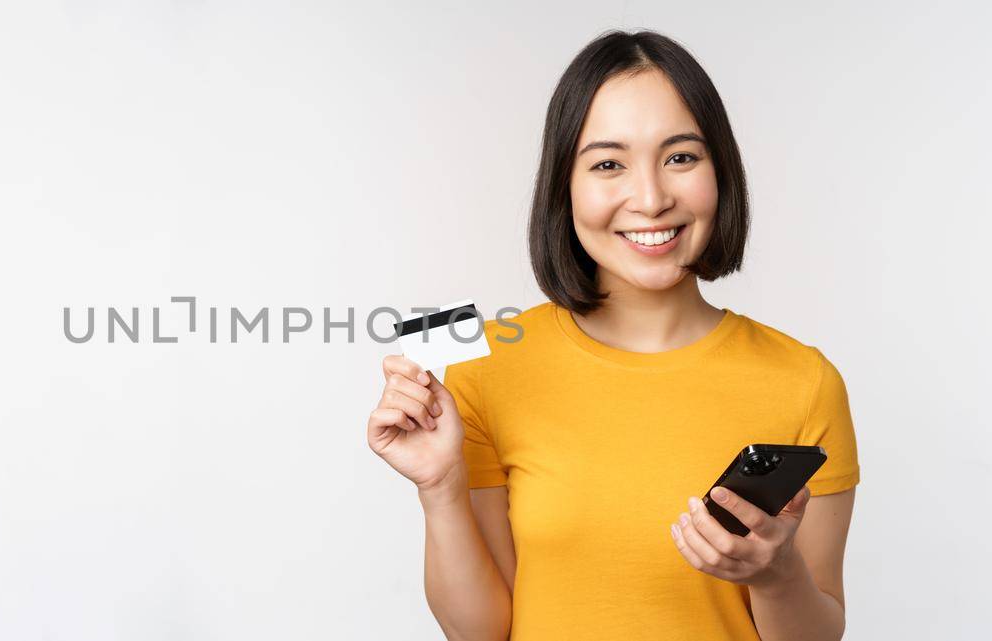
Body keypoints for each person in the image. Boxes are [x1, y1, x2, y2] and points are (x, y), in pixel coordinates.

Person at [366, 30, 859, 641]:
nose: (650, 199)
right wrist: (441, 488)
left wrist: (777, 575)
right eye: (607, 164)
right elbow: (482, 634)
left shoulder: (805, 382)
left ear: (720, 172)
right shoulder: (487, 370)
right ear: (563, 186)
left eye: (681, 157)